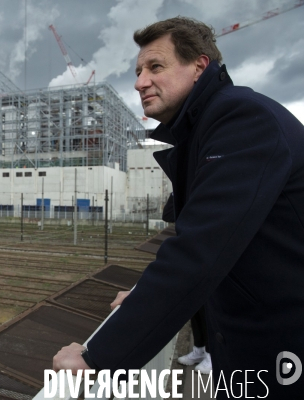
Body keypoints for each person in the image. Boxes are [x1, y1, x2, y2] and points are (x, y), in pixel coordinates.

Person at [53, 16, 304, 398]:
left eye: (156, 66)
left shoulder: (242, 120)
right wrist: (141, 294)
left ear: (199, 67)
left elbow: (199, 250)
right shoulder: (204, 131)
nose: (140, 82)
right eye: (138, 71)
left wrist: (98, 359)